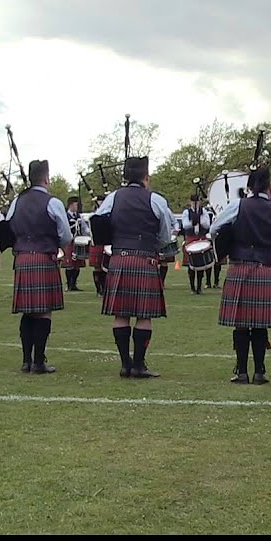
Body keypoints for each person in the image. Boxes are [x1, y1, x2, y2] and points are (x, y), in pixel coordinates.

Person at [93, 157, 173, 378]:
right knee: (144, 315)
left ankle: (125, 364)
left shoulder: (113, 198)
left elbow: (97, 222)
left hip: (119, 258)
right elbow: (166, 235)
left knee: (121, 314)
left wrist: (114, 238)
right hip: (145, 259)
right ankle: (138, 365)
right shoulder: (156, 200)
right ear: (146, 177)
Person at [211, 166, 271, 384]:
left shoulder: (238, 205)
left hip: (239, 266)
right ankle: (260, 371)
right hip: (263, 268)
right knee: (260, 323)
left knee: (241, 323)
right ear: (269, 186)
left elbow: (214, 229)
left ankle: (242, 371)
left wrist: (227, 241)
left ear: (249, 186)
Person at [6, 160, 73, 374]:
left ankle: (26, 360)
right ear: (46, 179)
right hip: (44, 257)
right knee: (43, 311)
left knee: (27, 311)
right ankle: (38, 362)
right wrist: (55, 245)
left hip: (23, 257)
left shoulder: (17, 201)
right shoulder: (52, 202)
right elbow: (65, 234)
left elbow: (7, 227)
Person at [180, 194, 211, 294]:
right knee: (191, 264)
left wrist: (199, 219)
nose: (195, 204)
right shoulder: (186, 212)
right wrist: (193, 221)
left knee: (200, 264)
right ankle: (192, 287)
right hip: (191, 238)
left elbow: (207, 224)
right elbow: (185, 225)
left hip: (201, 237)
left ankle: (199, 287)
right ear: (191, 202)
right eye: (193, 202)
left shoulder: (204, 211)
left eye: (197, 202)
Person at [64, 196, 90, 291]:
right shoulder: (65, 216)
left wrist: (89, 234)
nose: (77, 207)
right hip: (69, 242)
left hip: (78, 242)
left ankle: (74, 284)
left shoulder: (78, 216)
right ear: (71, 205)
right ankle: (69, 284)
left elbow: (84, 228)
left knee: (77, 265)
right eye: (76, 205)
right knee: (70, 265)